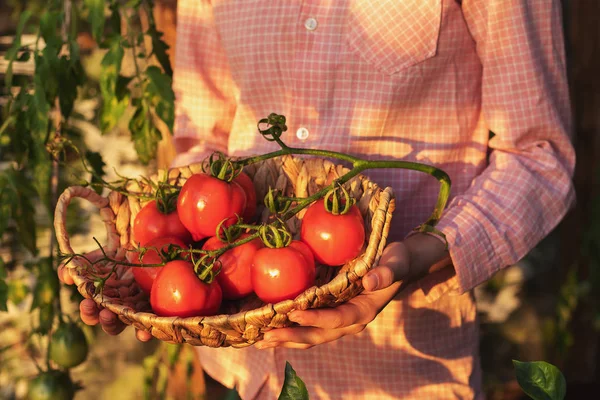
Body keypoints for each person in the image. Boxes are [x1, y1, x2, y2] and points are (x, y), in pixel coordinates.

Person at [59, 0, 575, 398]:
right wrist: (145, 264)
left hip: (403, 366)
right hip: (237, 366)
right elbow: (205, 140)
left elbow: (538, 156)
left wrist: (420, 253)